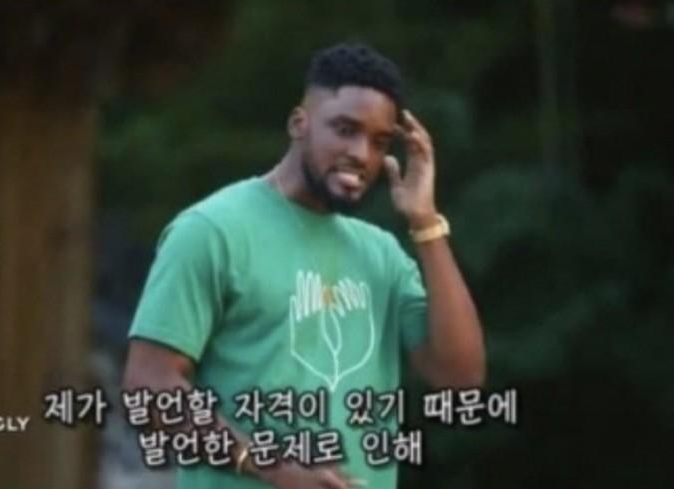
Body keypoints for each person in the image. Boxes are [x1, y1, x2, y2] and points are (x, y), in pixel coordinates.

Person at [123, 42, 485, 489]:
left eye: (379, 142)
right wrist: (274, 467)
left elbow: (460, 378)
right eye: (345, 129)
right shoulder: (211, 230)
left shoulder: (382, 254)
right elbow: (149, 386)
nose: (362, 154)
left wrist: (426, 222)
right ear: (299, 123)